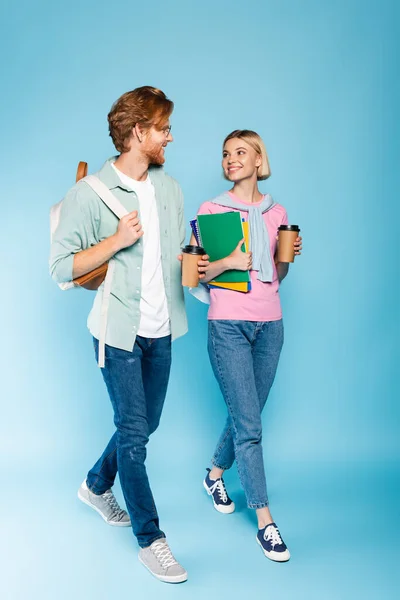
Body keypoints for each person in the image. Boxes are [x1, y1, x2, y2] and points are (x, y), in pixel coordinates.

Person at [49, 86, 208, 583]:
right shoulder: (90, 194)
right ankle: (151, 539)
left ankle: (97, 484)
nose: (170, 137)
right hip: (115, 333)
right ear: (139, 133)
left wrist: (204, 266)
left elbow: (175, 256)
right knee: (136, 436)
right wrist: (116, 241)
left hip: (162, 332)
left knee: (145, 424)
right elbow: (60, 268)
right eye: (163, 129)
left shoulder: (171, 189)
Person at [195, 130, 302, 562]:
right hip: (228, 326)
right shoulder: (211, 210)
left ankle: (214, 474)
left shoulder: (278, 212)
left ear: (259, 160)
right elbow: (198, 274)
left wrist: (288, 255)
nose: (230, 159)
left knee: (247, 416)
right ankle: (265, 521)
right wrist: (228, 262)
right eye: (225, 153)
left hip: (270, 325)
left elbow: (279, 276)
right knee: (251, 426)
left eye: (241, 152)